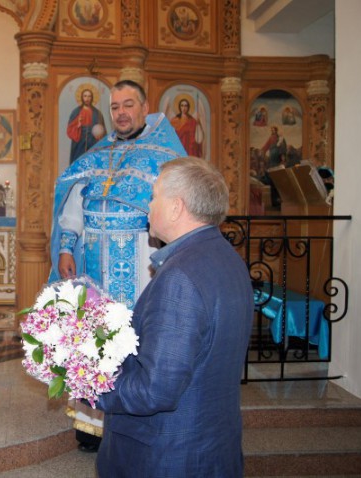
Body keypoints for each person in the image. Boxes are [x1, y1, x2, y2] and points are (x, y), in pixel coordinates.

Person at [95, 156, 254, 477]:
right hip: (212, 448)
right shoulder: (229, 259)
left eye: (154, 196)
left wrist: (89, 384)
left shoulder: (180, 276)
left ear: (176, 207)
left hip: (168, 457)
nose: (148, 206)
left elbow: (154, 390)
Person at [50, 79, 186, 452]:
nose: (121, 113)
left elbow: (180, 210)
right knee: (93, 338)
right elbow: (74, 204)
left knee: (135, 340)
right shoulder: (98, 153)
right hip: (94, 261)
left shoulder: (165, 153)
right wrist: (66, 248)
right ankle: (92, 425)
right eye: (115, 107)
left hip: (141, 261)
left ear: (144, 108)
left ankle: (133, 422)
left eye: (128, 105)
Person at [66, 88, 107, 165]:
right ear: (82, 97)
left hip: (93, 141)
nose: (87, 98)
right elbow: (70, 130)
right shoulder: (76, 112)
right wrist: (78, 124)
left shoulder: (97, 113)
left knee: (93, 163)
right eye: (85, 96)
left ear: (92, 98)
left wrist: (99, 133)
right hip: (79, 143)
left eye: (89, 96)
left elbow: (103, 131)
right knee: (79, 163)